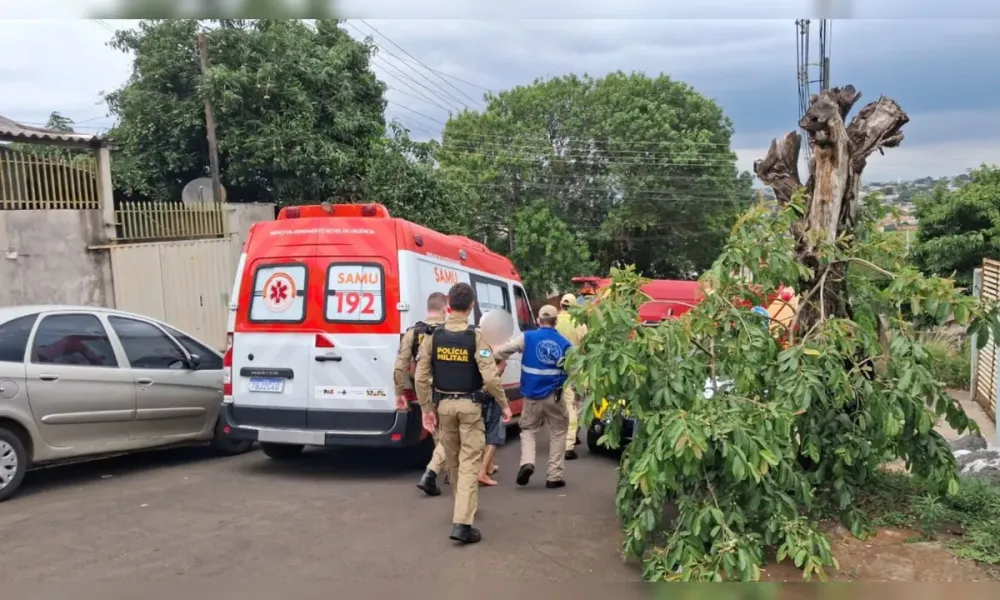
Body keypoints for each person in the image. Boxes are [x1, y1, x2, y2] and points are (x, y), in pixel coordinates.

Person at [414, 282, 511, 544]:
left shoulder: (433, 336)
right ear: (471, 307)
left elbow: (421, 376)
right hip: (470, 407)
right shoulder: (475, 337)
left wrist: (426, 409)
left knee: (454, 462)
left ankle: (461, 510)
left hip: (443, 407)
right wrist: (504, 404)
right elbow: (490, 377)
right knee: (469, 464)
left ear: (448, 305)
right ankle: (462, 523)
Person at [493, 305, 573, 489]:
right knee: (558, 432)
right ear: (556, 321)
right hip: (555, 396)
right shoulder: (565, 343)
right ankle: (554, 477)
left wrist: (484, 353)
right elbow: (575, 368)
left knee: (528, 429)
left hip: (531, 396)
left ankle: (527, 462)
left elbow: (502, 351)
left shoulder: (527, 337)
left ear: (538, 320)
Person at [393, 292, 449, 497]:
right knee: (449, 432)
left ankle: (447, 472)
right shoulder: (448, 331)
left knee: (437, 431)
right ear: (445, 310)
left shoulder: (413, 333)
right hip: (446, 388)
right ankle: (432, 473)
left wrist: (400, 392)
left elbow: (400, 366)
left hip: (422, 387)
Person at [555, 293, 588, 460]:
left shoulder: (554, 321)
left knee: (560, 403)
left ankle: (560, 438)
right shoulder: (580, 323)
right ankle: (571, 440)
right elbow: (586, 346)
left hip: (555, 366)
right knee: (577, 403)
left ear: (560, 305)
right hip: (576, 367)